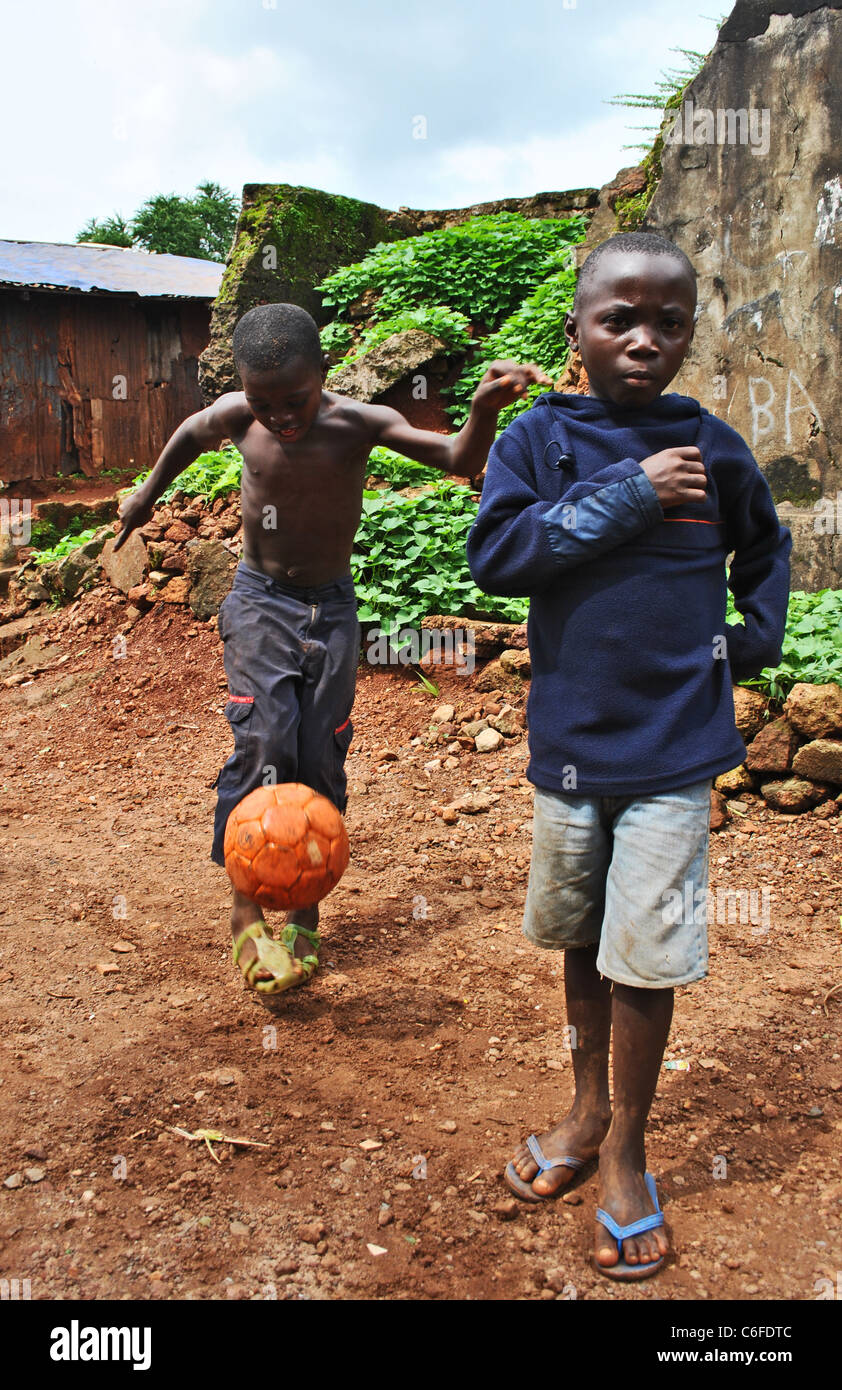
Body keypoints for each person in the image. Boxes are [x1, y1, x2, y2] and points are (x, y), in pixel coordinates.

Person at [466, 232, 791, 1280]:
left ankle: (626, 1154)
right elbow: (499, 558)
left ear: (689, 332)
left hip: (671, 752)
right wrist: (623, 497)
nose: (644, 341)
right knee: (579, 939)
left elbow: (764, 546)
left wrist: (744, 642)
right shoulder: (534, 441)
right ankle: (582, 1105)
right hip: (570, 749)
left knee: (644, 955)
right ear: (577, 332)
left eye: (668, 322)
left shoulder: (711, 445)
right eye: (619, 320)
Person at [115, 301, 549, 995]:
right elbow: (189, 436)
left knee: (320, 751)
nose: (279, 417)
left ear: (325, 374)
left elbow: (459, 457)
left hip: (333, 606)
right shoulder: (237, 415)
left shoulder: (359, 425)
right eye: (263, 404)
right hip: (260, 600)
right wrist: (144, 495)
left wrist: (485, 407)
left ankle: (306, 911)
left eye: (295, 399)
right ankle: (245, 909)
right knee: (265, 740)